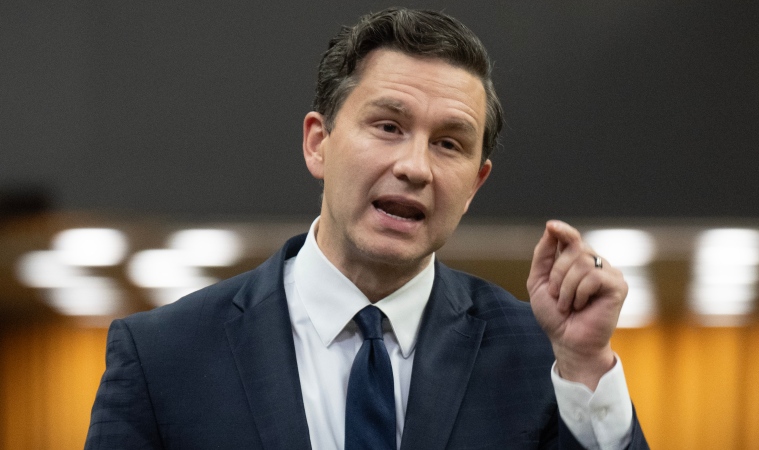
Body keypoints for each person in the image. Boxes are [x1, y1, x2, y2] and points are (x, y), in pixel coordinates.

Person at [86, 8, 648, 450]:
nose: (416, 167)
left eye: (448, 143)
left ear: (475, 184)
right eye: (388, 126)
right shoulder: (164, 357)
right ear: (318, 142)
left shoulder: (539, 358)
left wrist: (584, 366)